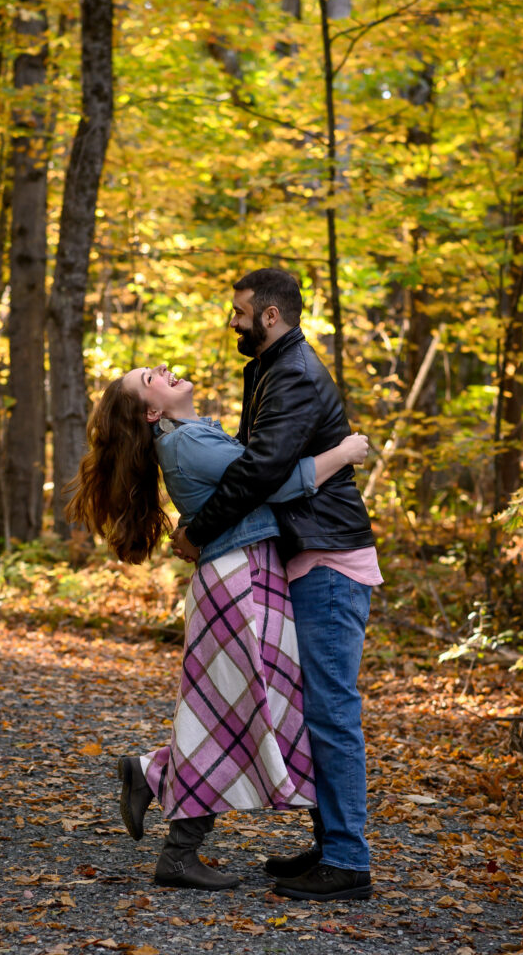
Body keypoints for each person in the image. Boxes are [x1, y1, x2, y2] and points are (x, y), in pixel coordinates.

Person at [65, 364, 370, 892]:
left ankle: (157, 781)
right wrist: (343, 453)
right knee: (240, 713)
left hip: (247, 571)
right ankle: (178, 846)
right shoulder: (186, 444)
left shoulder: (194, 435)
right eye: (149, 378)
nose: (162, 370)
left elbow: (243, 480)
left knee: (246, 711)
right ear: (151, 412)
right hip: (239, 579)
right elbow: (269, 482)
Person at [171, 268, 383, 902]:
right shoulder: (268, 368)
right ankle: (329, 844)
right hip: (302, 552)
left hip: (328, 555)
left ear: (269, 315)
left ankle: (347, 861)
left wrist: (199, 530)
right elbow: (251, 459)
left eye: (239, 312)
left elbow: (261, 470)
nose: (231, 321)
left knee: (330, 709)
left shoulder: (291, 373)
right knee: (308, 704)